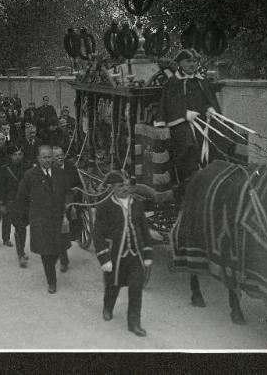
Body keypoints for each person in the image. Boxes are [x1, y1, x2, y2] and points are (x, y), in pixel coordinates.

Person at [154, 49, 224, 204]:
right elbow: (169, 105)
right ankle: (188, 179)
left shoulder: (201, 80)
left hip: (202, 120)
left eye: (194, 61)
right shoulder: (174, 82)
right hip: (180, 123)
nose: (192, 64)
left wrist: (210, 109)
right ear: (180, 63)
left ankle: (214, 175)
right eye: (188, 61)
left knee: (219, 135)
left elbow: (208, 99)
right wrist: (184, 114)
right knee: (188, 143)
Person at [93, 170, 153, 337]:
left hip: (135, 255)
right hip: (115, 256)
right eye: (121, 186)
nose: (125, 188)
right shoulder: (104, 207)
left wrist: (148, 254)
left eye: (127, 185)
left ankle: (134, 323)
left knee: (136, 287)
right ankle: (108, 307)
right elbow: (97, 234)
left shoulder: (137, 204)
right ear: (113, 188)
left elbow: (144, 230)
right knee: (113, 286)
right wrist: (104, 258)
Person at [16, 145, 70, 294]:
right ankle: (51, 282)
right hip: (40, 220)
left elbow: (68, 191)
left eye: (50, 156)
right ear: (38, 159)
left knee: (58, 248)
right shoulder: (30, 175)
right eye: (44, 157)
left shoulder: (60, 173)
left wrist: (67, 206)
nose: (48, 160)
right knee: (46, 252)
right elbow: (22, 197)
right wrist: (28, 215)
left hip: (58, 218)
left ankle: (52, 268)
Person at [52, 145, 82, 269]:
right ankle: (64, 261)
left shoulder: (70, 166)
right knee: (59, 234)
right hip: (56, 205)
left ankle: (70, 239)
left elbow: (79, 184)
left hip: (71, 201)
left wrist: (75, 192)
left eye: (61, 155)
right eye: (57, 156)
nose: (60, 158)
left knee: (69, 229)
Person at [0, 145, 30, 267]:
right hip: (12, 202)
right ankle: (21, 254)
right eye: (15, 154)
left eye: (19, 154)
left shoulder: (27, 167)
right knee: (19, 227)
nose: (18, 157)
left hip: (26, 201)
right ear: (10, 156)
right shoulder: (5, 169)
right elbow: (1, 188)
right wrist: (2, 204)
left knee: (23, 226)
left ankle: (21, 250)